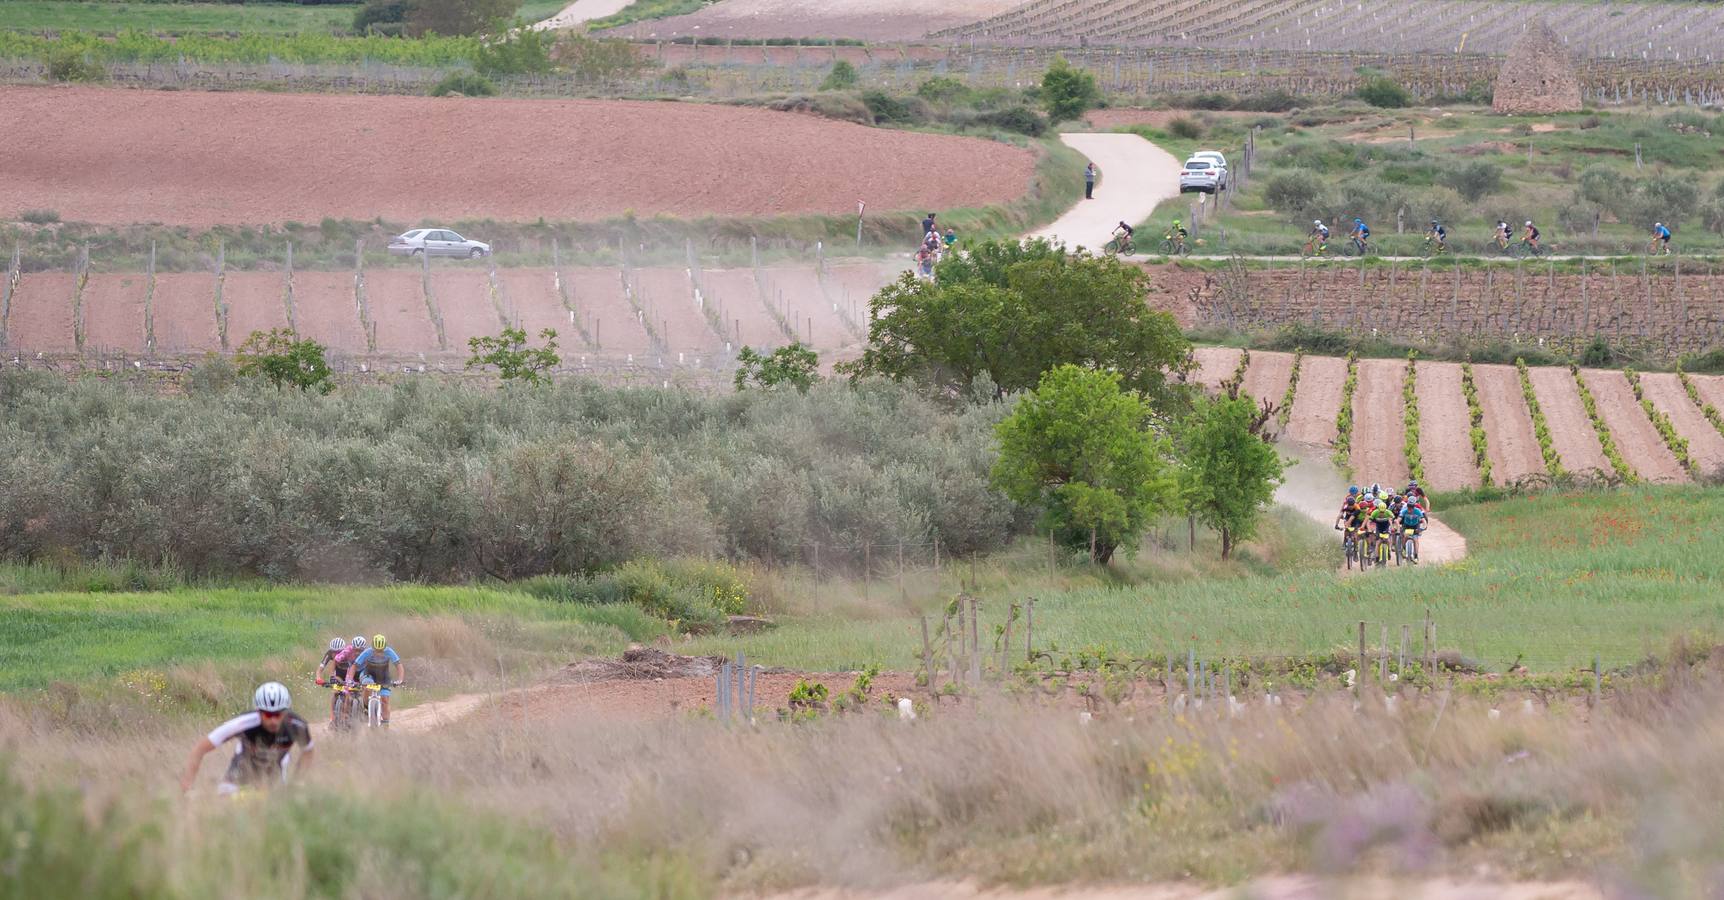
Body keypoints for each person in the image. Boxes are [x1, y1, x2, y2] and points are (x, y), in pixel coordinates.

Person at [180, 682, 314, 795]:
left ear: (286, 712)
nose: (273, 720)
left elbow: (308, 751)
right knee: (224, 803)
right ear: (258, 711)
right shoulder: (243, 723)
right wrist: (187, 786)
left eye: (278, 714)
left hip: (275, 773)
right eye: (268, 714)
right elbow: (200, 748)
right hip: (241, 769)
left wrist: (298, 781)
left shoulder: (297, 726)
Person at [348, 634, 404, 727]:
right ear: (372, 647)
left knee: (385, 700)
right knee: (367, 687)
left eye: (381, 651)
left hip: (383, 676)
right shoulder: (368, 652)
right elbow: (354, 665)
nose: (378, 653)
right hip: (368, 675)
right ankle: (366, 709)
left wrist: (400, 680)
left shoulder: (389, 651)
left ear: (385, 648)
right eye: (376, 651)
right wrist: (350, 679)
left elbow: (399, 665)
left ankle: (386, 725)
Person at [314, 637, 360, 721]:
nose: (335, 654)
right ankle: (332, 718)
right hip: (338, 674)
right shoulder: (329, 654)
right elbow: (320, 669)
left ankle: (348, 714)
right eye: (333, 652)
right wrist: (318, 678)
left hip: (349, 673)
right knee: (335, 692)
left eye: (338, 652)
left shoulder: (348, 653)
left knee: (348, 693)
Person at [1398, 496, 1427, 562]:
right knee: (1405, 536)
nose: (1410, 508)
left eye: (1412, 507)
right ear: (1407, 505)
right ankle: (1404, 549)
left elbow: (1423, 520)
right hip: (1406, 525)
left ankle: (1416, 556)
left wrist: (1424, 527)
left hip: (1415, 526)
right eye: (1408, 506)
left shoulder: (1418, 511)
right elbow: (1399, 519)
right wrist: (1397, 524)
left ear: (1414, 506)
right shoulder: (1404, 510)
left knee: (1415, 540)